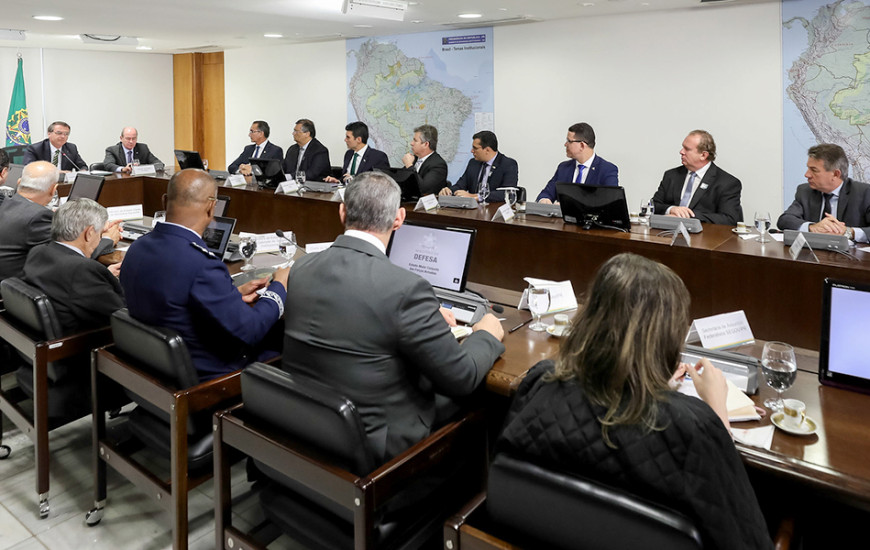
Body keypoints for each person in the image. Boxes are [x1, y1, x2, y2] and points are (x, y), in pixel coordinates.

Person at [494, 253, 772, 550]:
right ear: (668, 340)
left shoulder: (541, 380)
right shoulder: (697, 427)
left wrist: (651, 384)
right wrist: (719, 418)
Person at [282, 170, 505, 463]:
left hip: (310, 425)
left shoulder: (301, 267)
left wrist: (421, 314)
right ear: (399, 218)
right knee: (491, 400)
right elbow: (461, 377)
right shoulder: (405, 289)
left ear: (342, 211)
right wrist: (486, 333)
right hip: (377, 446)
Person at [120, 169, 290, 382]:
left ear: (164, 201)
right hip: (208, 376)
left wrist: (232, 296)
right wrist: (279, 287)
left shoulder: (138, 247)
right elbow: (251, 330)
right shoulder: (201, 263)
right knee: (285, 337)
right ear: (212, 207)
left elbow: (175, 300)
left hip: (155, 369)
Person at [0, 161, 119, 282]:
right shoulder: (38, 217)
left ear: (19, 182)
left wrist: (95, 229)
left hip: (11, 287)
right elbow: (71, 255)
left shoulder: (7, 203)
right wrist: (107, 239)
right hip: (22, 289)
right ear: (54, 189)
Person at [23, 198, 125, 335]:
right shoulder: (81, 271)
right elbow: (121, 314)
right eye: (100, 234)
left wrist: (101, 280)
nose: (99, 239)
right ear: (89, 233)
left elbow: (68, 287)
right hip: (83, 347)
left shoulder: (38, 252)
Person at [777, 143, 870, 242]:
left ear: (836, 174)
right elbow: (785, 220)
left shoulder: (864, 193)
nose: (807, 174)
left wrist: (848, 232)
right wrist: (812, 227)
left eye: (814, 170)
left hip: (853, 256)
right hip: (812, 255)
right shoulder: (805, 191)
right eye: (808, 168)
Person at [652, 130, 743, 225]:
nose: (681, 152)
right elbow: (654, 205)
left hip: (705, 237)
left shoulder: (727, 183)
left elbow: (729, 219)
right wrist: (671, 209)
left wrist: (688, 216)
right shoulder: (671, 175)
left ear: (703, 155)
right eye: (682, 147)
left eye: (687, 149)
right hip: (666, 235)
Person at [536, 122, 618, 203]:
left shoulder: (607, 170)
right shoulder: (563, 168)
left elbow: (610, 203)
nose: (565, 144)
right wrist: (544, 200)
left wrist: (568, 207)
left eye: (569, 141)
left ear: (582, 145)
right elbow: (546, 193)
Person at [439, 130, 519, 202]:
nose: (472, 151)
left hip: (495, 211)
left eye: (475, 148)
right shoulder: (473, 163)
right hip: (473, 210)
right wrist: (449, 191)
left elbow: (506, 193)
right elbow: (461, 185)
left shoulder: (508, 164)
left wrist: (476, 196)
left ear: (487, 150)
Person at [324, 121, 390, 183]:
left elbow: (381, 183)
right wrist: (337, 181)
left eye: (348, 137)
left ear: (359, 139)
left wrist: (354, 179)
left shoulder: (378, 157)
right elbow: (345, 177)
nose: (345, 140)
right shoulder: (348, 154)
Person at [401, 124, 448, 196]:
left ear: (426, 144)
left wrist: (409, 166)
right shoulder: (414, 159)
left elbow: (423, 189)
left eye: (415, 141)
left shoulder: (438, 165)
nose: (411, 143)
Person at [22, 121, 87, 171]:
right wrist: (56, 173)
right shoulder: (35, 149)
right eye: (59, 133)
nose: (63, 136)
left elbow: (82, 166)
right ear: (49, 134)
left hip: (64, 184)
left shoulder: (71, 148)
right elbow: (29, 169)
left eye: (66, 134)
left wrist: (83, 171)